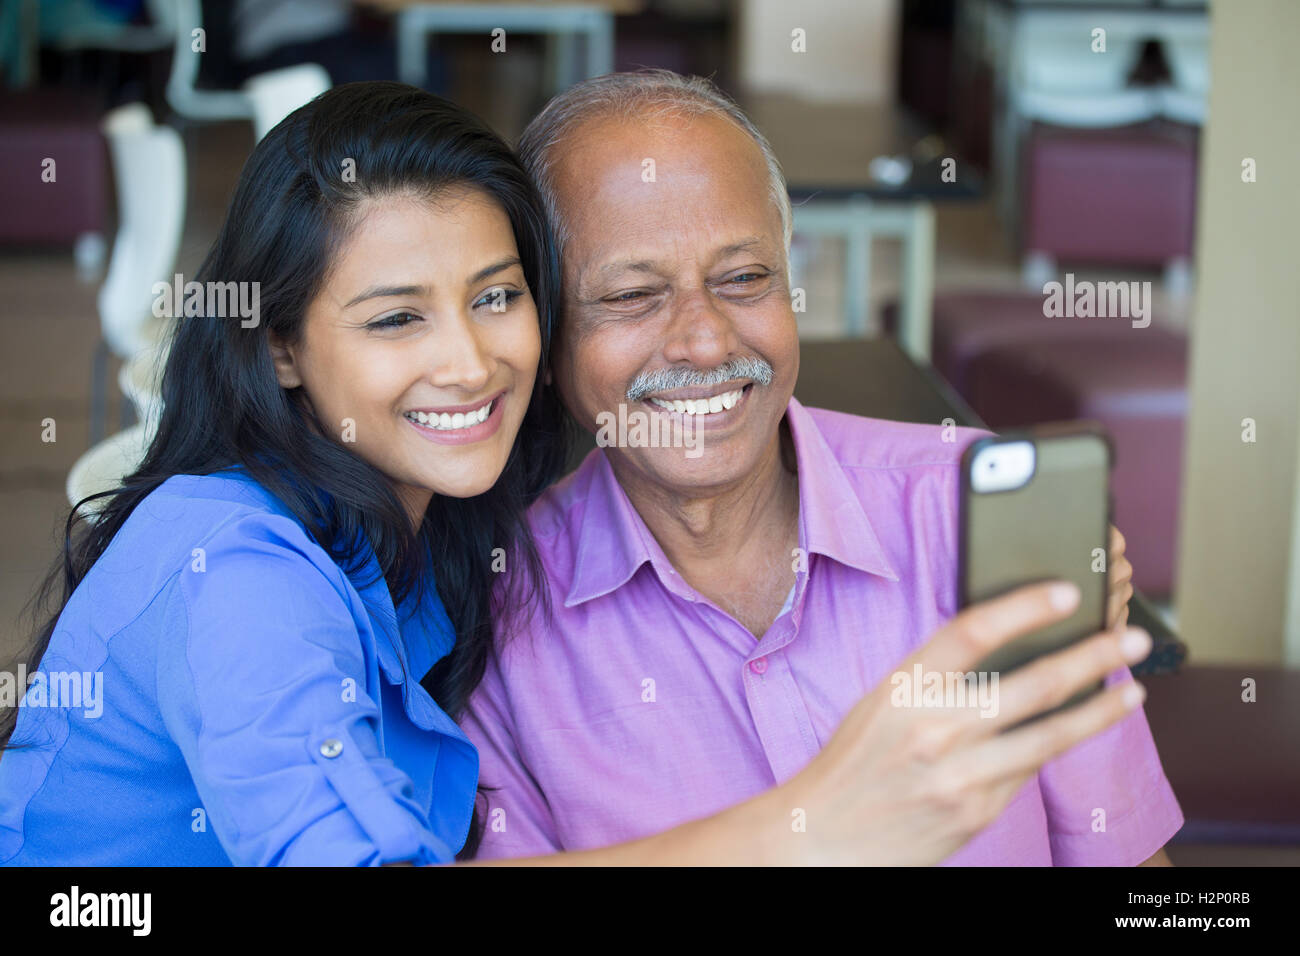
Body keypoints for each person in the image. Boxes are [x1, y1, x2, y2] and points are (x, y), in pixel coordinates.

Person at [0, 81, 1139, 867]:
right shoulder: (261, 576)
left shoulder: (443, 554)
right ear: (282, 345)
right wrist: (813, 824)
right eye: (630, 296)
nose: (468, 357)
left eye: (495, 296)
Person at [459, 70, 1183, 865]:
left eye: (744, 278)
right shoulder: (499, 613)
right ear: (545, 340)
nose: (704, 342)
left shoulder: (973, 513)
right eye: (632, 295)